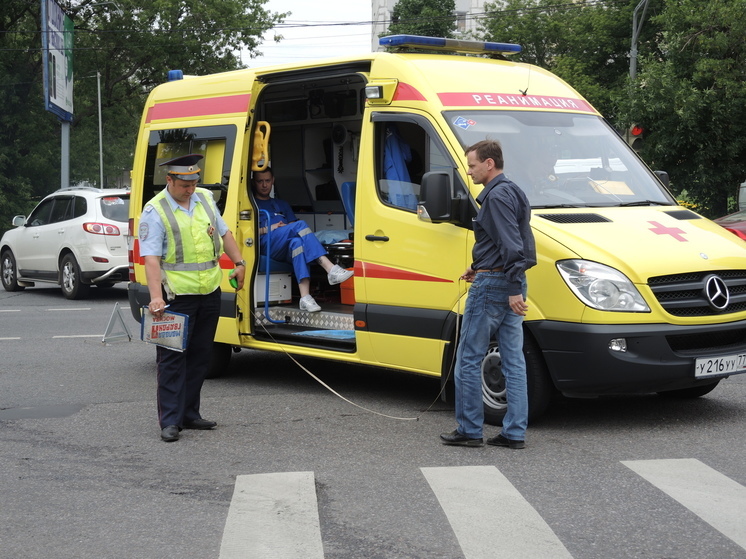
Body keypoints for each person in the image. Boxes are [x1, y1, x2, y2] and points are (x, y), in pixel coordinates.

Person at [139, 154, 246, 442]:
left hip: (209, 291)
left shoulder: (205, 199)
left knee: (201, 357)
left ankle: (190, 413)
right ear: (170, 180)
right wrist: (155, 298)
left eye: (194, 182)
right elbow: (151, 259)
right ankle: (170, 421)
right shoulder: (155, 210)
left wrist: (239, 263)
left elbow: (224, 233)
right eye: (184, 184)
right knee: (172, 360)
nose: (190, 189)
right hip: (176, 297)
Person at [440, 140, 536, 449]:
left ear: (489, 164)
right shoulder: (514, 191)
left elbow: (512, 246)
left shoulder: (495, 197)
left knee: (468, 358)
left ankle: (469, 430)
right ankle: (514, 432)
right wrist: (476, 266)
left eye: (472, 165)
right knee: (513, 361)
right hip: (509, 281)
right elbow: (513, 241)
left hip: (496, 287)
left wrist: (506, 286)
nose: (468, 171)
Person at [251, 167, 352, 312]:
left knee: (297, 243)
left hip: (285, 244)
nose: (264, 185)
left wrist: (285, 229)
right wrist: (269, 228)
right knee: (301, 225)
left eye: (267, 181)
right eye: (260, 181)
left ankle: (305, 298)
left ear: (273, 181)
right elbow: (245, 231)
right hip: (267, 244)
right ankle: (330, 268)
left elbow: (293, 227)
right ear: (254, 183)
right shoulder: (251, 204)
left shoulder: (282, 204)